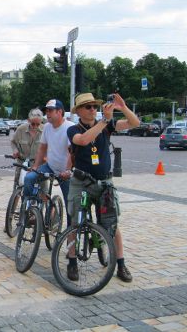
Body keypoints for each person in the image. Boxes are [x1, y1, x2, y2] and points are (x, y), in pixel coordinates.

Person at [67, 92, 139, 283]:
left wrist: (123, 108)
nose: (93, 110)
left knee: (112, 224)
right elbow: (83, 140)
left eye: (94, 107)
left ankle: (121, 264)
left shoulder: (107, 125)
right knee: (74, 221)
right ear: (79, 111)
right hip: (81, 181)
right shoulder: (73, 129)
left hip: (104, 182)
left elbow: (134, 123)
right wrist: (104, 121)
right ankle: (72, 261)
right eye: (88, 107)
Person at [24, 99, 74, 212]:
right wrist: (36, 166)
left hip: (65, 171)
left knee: (70, 202)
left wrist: (67, 170)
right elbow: (42, 148)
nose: (47, 113)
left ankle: (71, 228)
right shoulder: (47, 127)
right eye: (46, 110)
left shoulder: (70, 127)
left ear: (60, 112)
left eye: (50, 110)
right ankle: (33, 209)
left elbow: (73, 152)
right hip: (50, 166)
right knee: (29, 178)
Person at [10, 108, 44, 187]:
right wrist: (15, 150)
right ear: (28, 120)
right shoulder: (21, 129)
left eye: (38, 124)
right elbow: (13, 142)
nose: (35, 126)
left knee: (43, 190)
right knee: (17, 187)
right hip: (22, 163)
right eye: (33, 124)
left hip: (39, 164)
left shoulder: (45, 129)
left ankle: (43, 199)